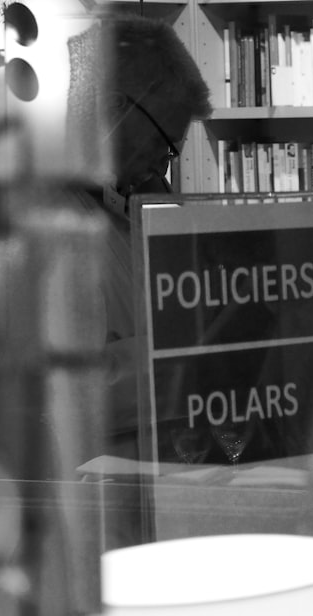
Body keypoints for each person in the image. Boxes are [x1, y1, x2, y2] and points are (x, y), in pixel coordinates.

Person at [67, 14, 213, 458]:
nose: (163, 166)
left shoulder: (141, 205)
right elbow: (65, 393)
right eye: (163, 143)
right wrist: (198, 362)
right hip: (81, 499)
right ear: (114, 108)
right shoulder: (35, 220)